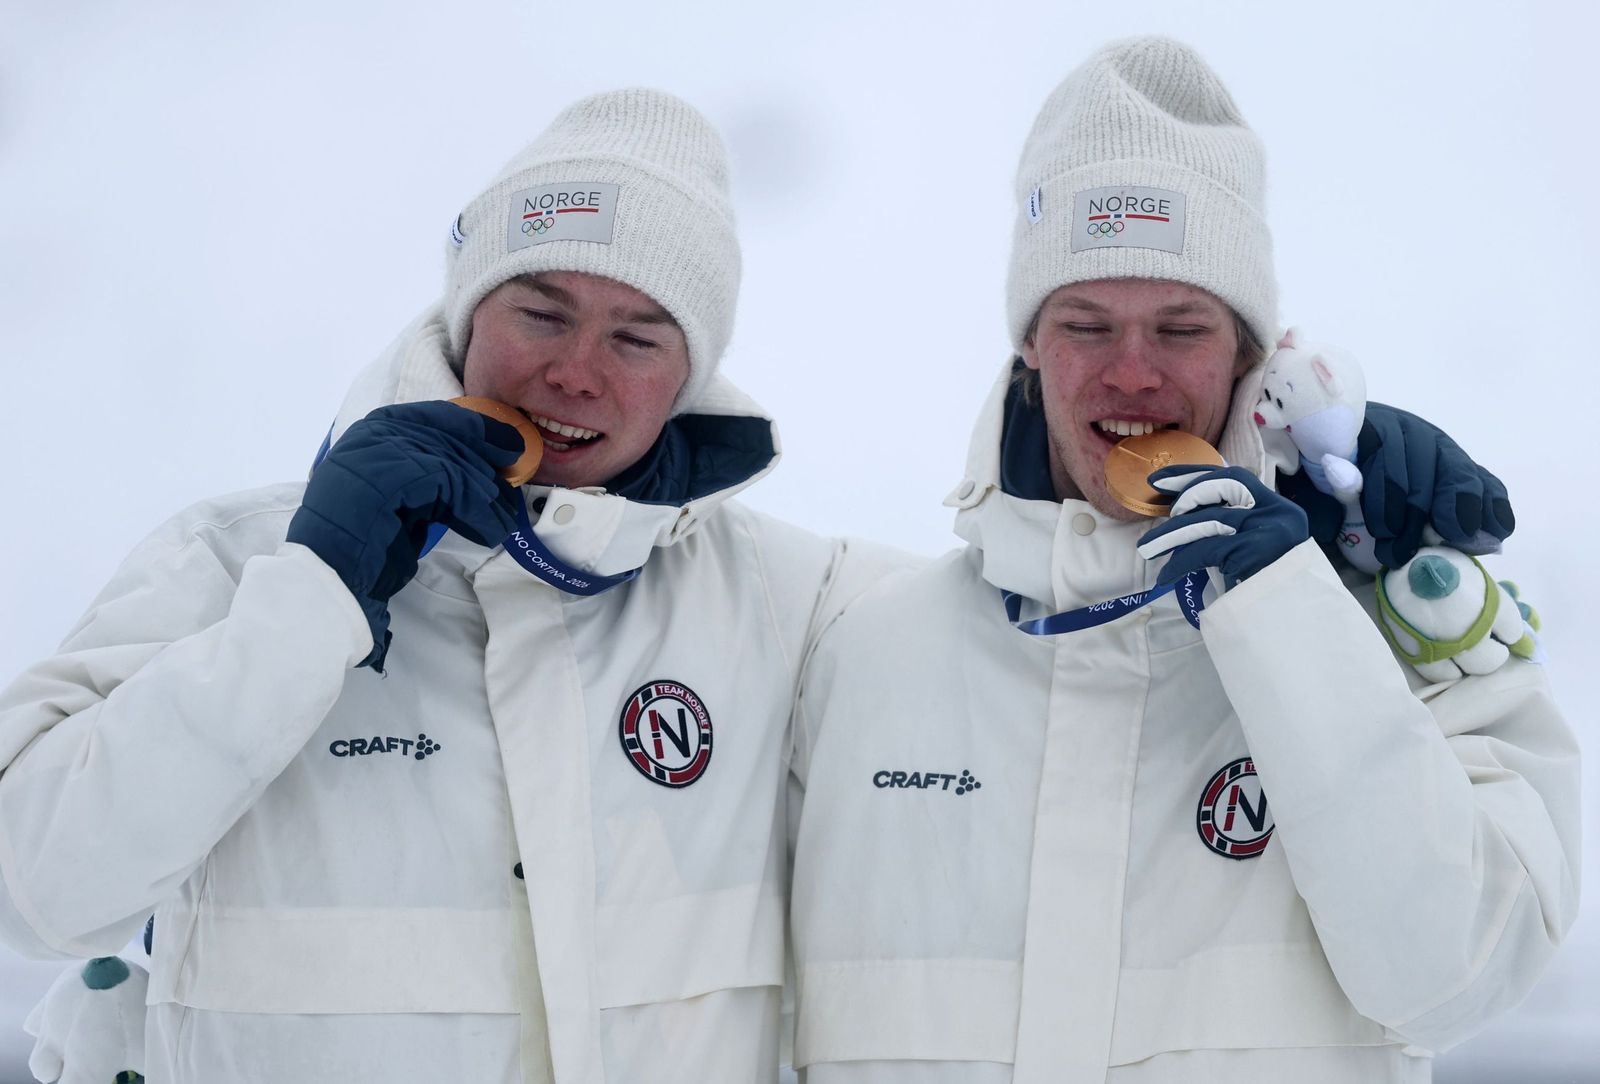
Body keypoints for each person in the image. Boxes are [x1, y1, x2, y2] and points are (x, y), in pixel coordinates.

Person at [0, 88, 892, 1083]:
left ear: (687, 377)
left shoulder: (789, 602)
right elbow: (34, 894)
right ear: (465, 318)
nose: (576, 373)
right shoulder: (235, 558)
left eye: (636, 338)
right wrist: (310, 599)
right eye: (541, 313)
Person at [788, 37, 1578, 1083]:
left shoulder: (1404, 617)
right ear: (1026, 342)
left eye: (1179, 326)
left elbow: (1451, 977)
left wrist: (1289, 617)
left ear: (1251, 352)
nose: (1131, 373)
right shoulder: (865, 648)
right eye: (1084, 323)